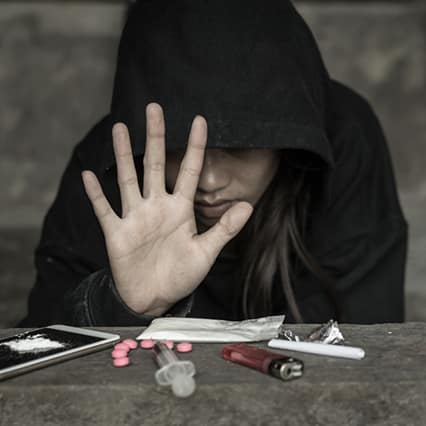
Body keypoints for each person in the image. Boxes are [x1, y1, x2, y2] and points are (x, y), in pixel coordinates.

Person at [18, 0, 408, 327]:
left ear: (289, 143)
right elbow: (41, 342)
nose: (209, 180)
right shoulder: (113, 160)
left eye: (241, 148)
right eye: (177, 147)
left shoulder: (343, 137)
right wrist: (121, 306)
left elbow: (369, 338)